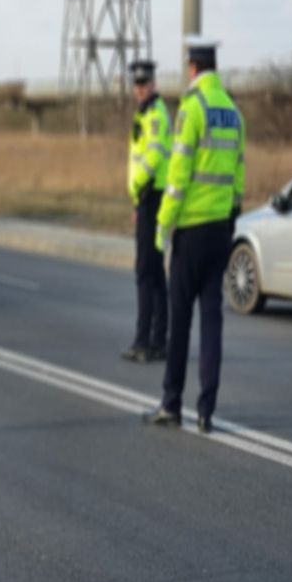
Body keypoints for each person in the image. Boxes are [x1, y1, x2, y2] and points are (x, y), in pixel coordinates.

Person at [143, 36, 245, 434]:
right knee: (212, 321)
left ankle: (172, 402)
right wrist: (231, 215)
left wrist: (162, 226)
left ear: (191, 68)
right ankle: (207, 410)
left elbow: (178, 174)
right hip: (220, 229)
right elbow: (239, 172)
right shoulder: (234, 112)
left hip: (189, 231)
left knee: (181, 321)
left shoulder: (192, 109)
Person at [121, 59, 171, 364]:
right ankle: (155, 340)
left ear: (152, 83)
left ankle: (147, 340)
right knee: (152, 273)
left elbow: (152, 157)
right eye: (136, 85)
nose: (140, 89)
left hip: (152, 195)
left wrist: (138, 186)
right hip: (147, 198)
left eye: (144, 84)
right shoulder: (146, 113)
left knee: (147, 273)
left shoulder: (155, 116)